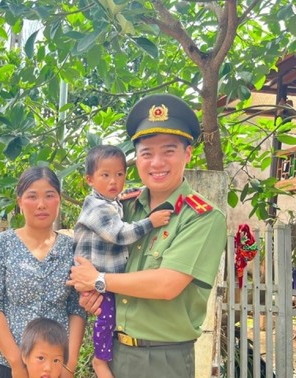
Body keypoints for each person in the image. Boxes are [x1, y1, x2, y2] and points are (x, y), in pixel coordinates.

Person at [67, 94, 227, 378]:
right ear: (136, 159)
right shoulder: (122, 207)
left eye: (168, 151)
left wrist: (99, 281)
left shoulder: (202, 217)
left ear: (187, 153)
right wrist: (90, 294)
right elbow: (89, 255)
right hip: (113, 352)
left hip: (163, 359)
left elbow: (167, 284)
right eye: (146, 153)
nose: (157, 163)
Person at [0, 166, 86, 378]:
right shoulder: (1, 245)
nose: (41, 204)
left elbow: (77, 308)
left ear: (59, 200)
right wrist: (17, 362)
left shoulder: (72, 248)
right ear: (19, 202)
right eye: (32, 196)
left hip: (54, 369)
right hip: (4, 365)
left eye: (49, 196)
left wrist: (69, 364)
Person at [74, 144, 172, 378]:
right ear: (90, 179)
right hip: (97, 276)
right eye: (105, 175)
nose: (113, 181)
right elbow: (119, 234)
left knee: (110, 317)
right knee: (106, 318)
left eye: (119, 174)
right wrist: (151, 222)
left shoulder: (113, 201)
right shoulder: (97, 207)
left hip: (104, 276)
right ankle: (99, 362)